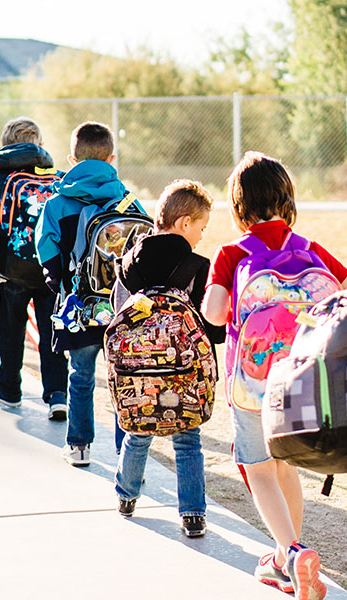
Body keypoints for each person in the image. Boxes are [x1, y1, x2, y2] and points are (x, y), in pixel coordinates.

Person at [201, 151, 347, 600]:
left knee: (259, 470)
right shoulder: (311, 249)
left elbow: (214, 314)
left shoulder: (232, 254)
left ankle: (290, 552)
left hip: (252, 385)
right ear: (287, 199)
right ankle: (286, 557)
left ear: (239, 206)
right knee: (286, 466)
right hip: (303, 383)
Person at [113, 178, 224, 538]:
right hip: (184, 374)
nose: (202, 237)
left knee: (137, 430)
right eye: (201, 228)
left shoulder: (129, 261)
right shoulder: (197, 265)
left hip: (137, 373)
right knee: (188, 440)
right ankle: (193, 514)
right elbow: (212, 328)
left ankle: (127, 496)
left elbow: (119, 313)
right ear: (185, 223)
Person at [35, 121, 133, 466]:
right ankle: (127, 454)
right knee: (122, 378)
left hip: (79, 305)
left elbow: (47, 254)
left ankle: (79, 446)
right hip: (120, 306)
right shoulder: (126, 200)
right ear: (111, 159)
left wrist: (61, 286)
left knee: (80, 376)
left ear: (72, 159)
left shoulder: (57, 204)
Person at [0, 116, 69, 419]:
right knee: (53, 332)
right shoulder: (57, 178)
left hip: (12, 270)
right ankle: (57, 394)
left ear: (5, 147)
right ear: (39, 145)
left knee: (10, 332)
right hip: (52, 269)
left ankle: (10, 389)